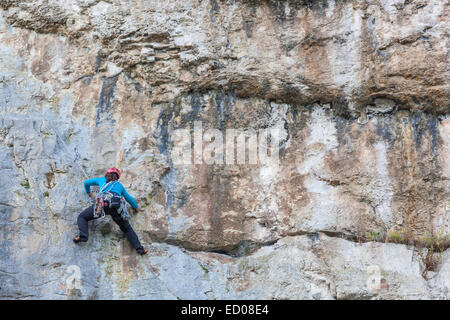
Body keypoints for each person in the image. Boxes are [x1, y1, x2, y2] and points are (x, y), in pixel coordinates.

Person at [73, 167, 148, 255]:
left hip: (102, 205)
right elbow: (129, 198)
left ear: (107, 174)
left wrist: (89, 192)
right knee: (127, 229)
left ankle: (83, 236)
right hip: (116, 207)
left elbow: (86, 183)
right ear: (117, 177)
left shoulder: (101, 180)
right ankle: (140, 249)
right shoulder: (119, 186)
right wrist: (136, 207)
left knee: (82, 217)